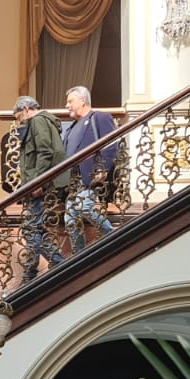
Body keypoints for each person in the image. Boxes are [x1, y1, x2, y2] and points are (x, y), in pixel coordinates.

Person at [11, 95, 69, 283]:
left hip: (40, 187)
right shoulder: (41, 121)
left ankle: (33, 270)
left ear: (26, 109)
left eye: (19, 116)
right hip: (38, 186)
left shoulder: (37, 121)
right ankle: (58, 264)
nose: (20, 121)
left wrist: (38, 182)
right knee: (36, 229)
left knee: (32, 228)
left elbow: (45, 152)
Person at [62, 85, 118, 254]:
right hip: (74, 181)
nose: (67, 105)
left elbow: (111, 143)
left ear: (82, 101)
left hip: (92, 177)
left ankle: (114, 235)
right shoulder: (71, 127)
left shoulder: (99, 117)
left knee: (86, 207)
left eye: (70, 101)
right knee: (70, 218)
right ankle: (78, 256)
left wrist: (103, 168)